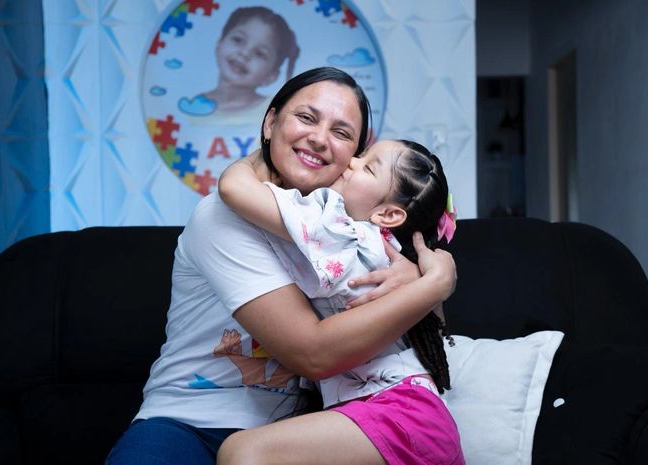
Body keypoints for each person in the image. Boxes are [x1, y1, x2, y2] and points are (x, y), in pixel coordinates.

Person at [106, 67, 457, 465]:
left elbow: (427, 328)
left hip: (308, 428)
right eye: (306, 117)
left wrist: (421, 272)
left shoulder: (349, 227)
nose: (320, 138)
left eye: (342, 133)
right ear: (270, 122)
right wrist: (434, 283)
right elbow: (312, 353)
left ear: (353, 157)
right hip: (192, 421)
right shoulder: (224, 216)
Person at [215, 139, 464, 465]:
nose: (351, 162)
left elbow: (233, 188)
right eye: (362, 155)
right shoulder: (385, 248)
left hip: (402, 413)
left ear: (388, 214)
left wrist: (266, 148)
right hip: (402, 415)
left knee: (242, 452)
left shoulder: (341, 230)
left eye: (368, 167)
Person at [179, 6, 300, 117]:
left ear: (271, 76)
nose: (245, 53)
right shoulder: (195, 104)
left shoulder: (272, 112)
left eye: (260, 53)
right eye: (238, 40)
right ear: (219, 44)